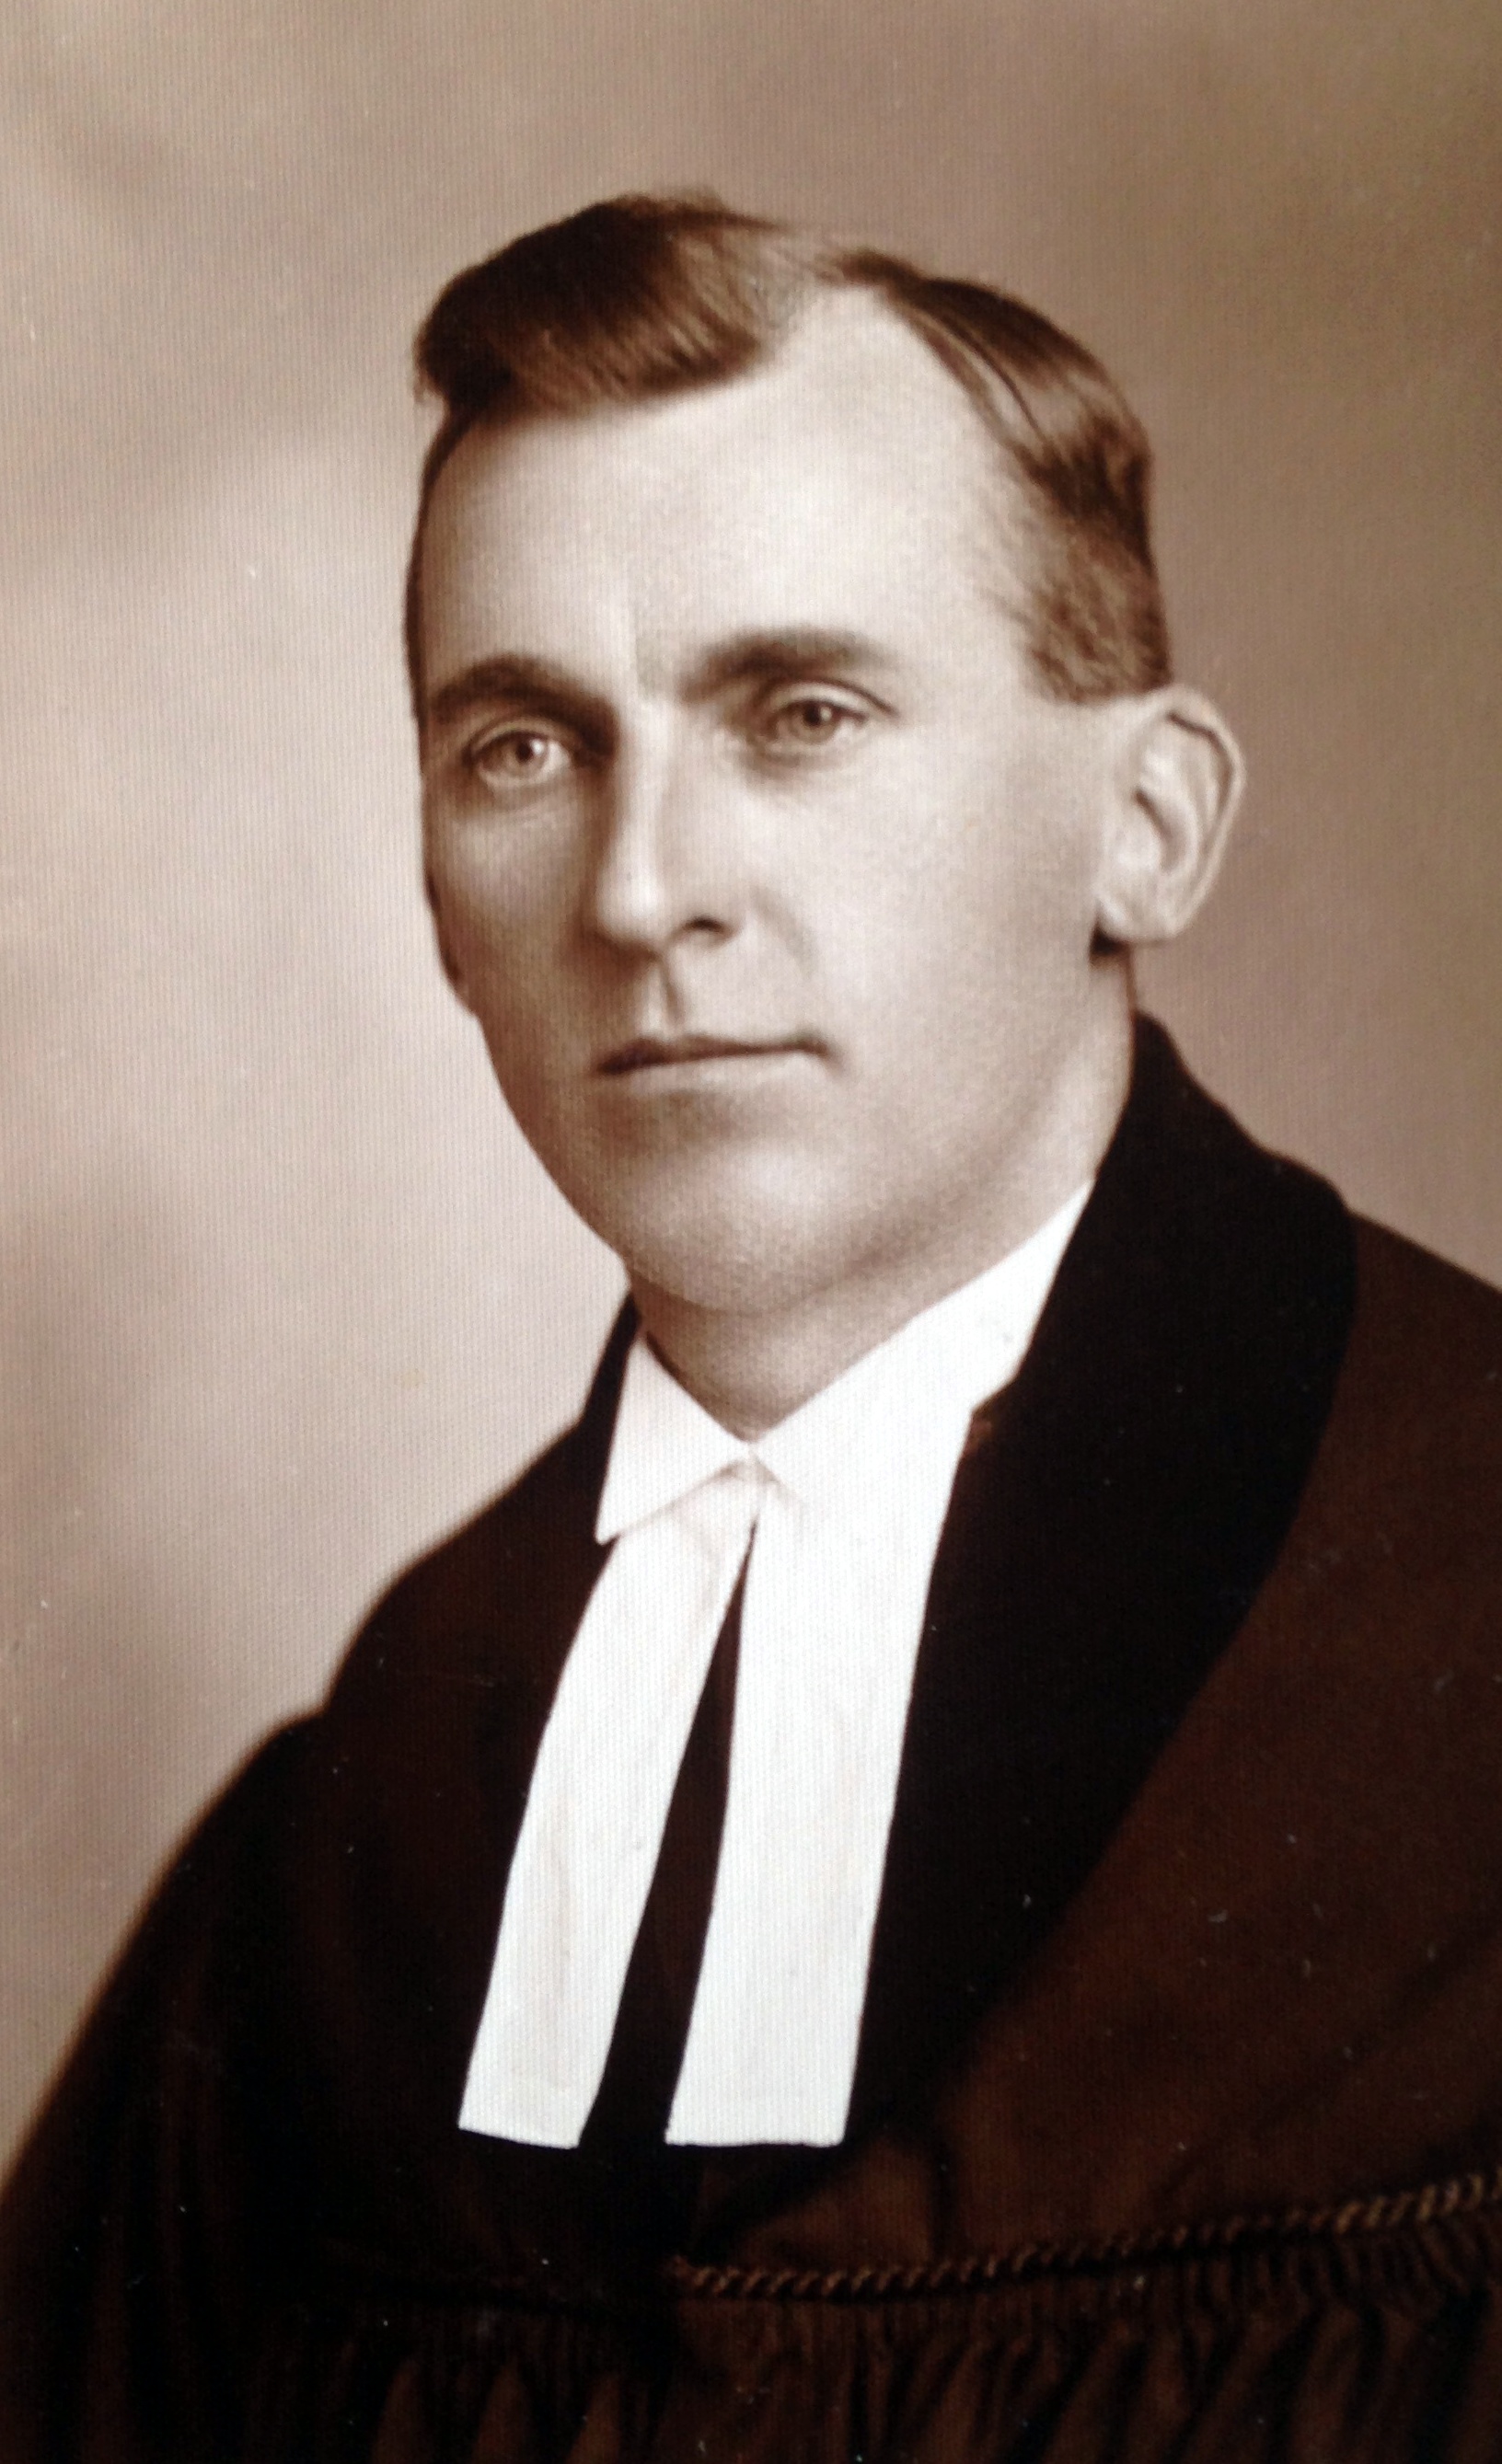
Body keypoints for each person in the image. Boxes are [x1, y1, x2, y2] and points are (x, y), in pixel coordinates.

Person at [2, 191, 1500, 2463]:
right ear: (436, 903)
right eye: (525, 746)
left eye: (801, 715)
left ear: (1151, 824)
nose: (640, 889)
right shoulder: (360, 1831)